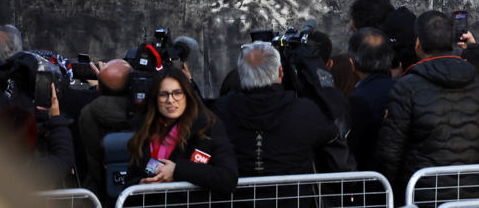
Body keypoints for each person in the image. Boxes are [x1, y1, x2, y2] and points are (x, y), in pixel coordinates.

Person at [376, 11, 479, 198]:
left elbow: (390, 152)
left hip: (421, 195)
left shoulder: (406, 87)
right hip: (472, 197)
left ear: (418, 44)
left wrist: (398, 194)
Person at [213, 41, 339, 177]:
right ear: (280, 72)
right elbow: (333, 132)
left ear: (241, 74)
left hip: (235, 196)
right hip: (294, 195)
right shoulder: (305, 111)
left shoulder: (221, 110)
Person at [126, 68, 237, 196]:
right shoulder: (144, 129)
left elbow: (228, 178)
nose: (171, 100)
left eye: (177, 93)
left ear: (187, 95)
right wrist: (140, 185)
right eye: (163, 94)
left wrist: (177, 171)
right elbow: (129, 180)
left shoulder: (208, 126)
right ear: (155, 98)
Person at [77, 58, 134, 195]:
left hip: (97, 192)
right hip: (141, 189)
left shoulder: (87, 113)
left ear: (99, 89)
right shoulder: (145, 111)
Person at [346, 28, 397, 172]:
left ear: (352, 65)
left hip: (373, 182)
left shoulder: (359, 100)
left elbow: (354, 148)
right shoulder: (404, 87)